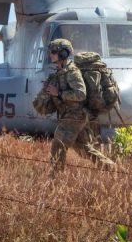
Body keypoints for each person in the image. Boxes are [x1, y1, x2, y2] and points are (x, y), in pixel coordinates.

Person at [32, 38, 114, 173]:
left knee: (58, 143)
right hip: (70, 115)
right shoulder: (60, 72)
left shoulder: (72, 71)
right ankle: (111, 168)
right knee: (83, 148)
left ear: (63, 54)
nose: (50, 54)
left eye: (53, 52)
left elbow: (81, 94)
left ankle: (55, 178)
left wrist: (58, 92)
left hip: (75, 115)